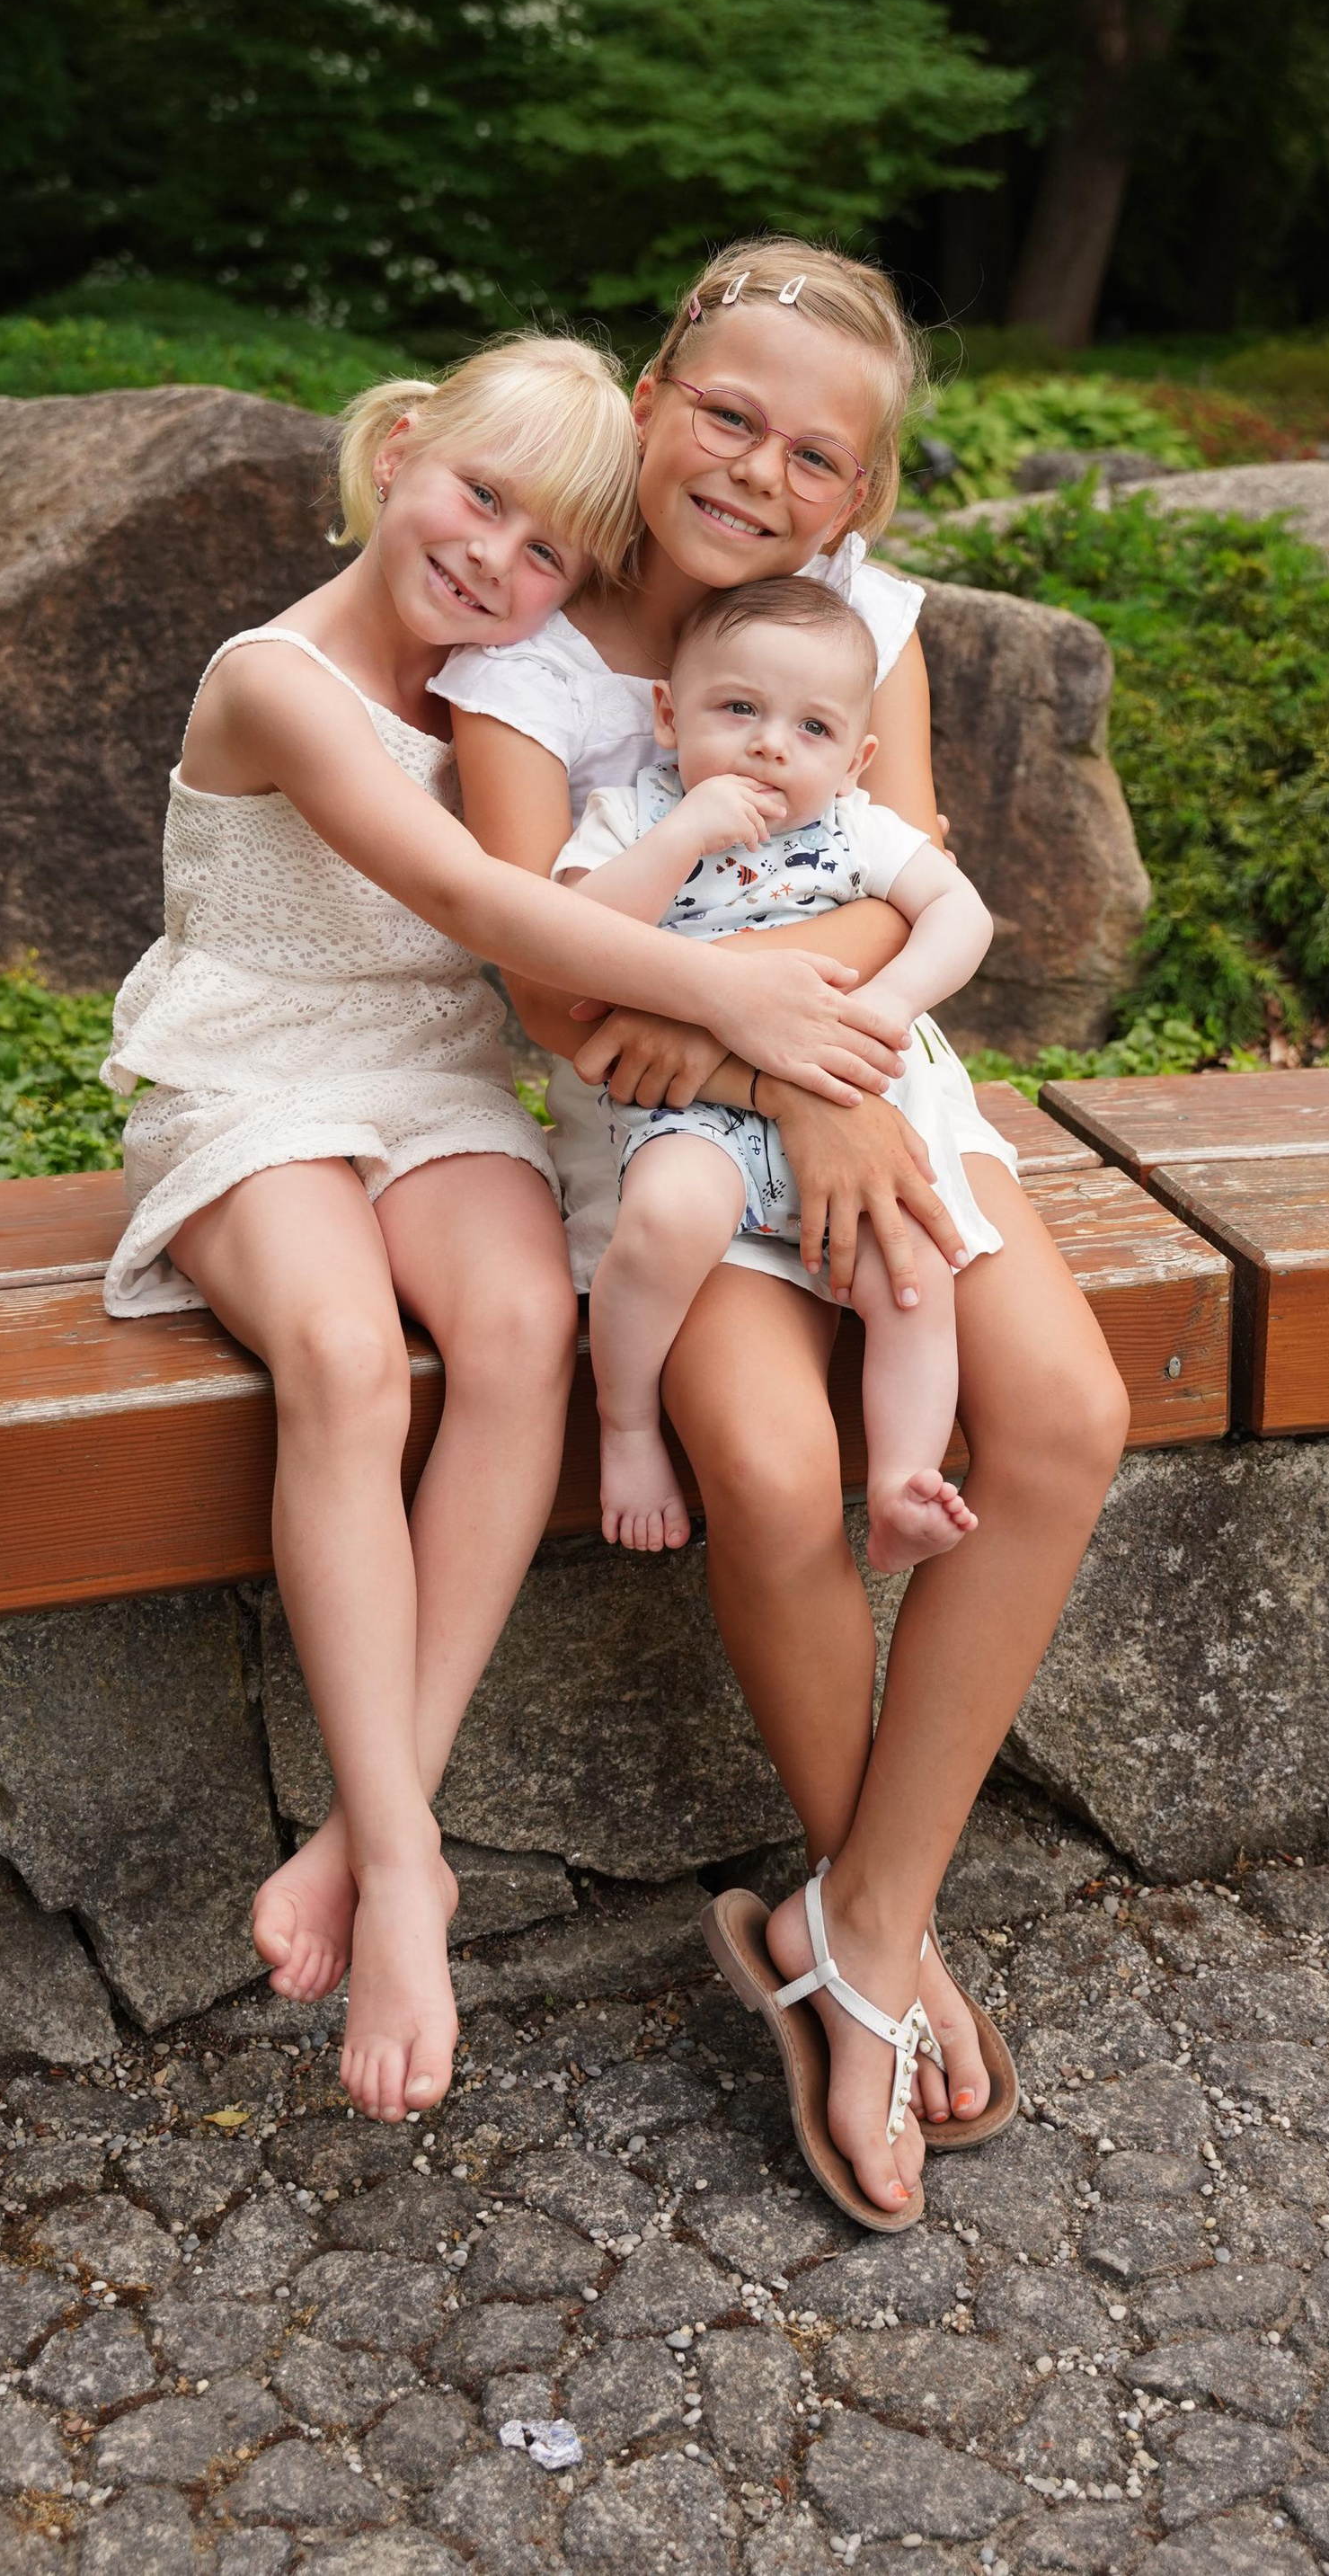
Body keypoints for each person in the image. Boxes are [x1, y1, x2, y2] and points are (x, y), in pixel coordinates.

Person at [100, 333, 909, 2127]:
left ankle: (367, 1818)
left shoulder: (505, 681)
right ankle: (408, 1872)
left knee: (524, 1334)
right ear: (396, 452)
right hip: (252, 1078)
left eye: (546, 548)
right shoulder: (279, 676)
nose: (496, 561)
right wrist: (746, 1011)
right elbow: (475, 893)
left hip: (428, 1073)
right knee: (334, 1353)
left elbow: (717, 811)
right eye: (477, 498)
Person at [444, 245, 1131, 2225]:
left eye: (813, 451)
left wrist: (817, 1066)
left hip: (872, 1082)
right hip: (668, 1140)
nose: (757, 467)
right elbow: (557, 995)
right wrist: (758, 1067)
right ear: (651, 394)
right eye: (726, 412)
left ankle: (857, 1921)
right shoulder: (531, 669)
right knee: (763, 1456)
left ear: (861, 494)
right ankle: (878, 1957)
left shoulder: (865, 624)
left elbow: (892, 895)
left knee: (1064, 1416)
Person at [556, 573, 996, 1570]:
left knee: (914, 1279)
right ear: (669, 714)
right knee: (668, 1218)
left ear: (855, 759)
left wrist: (881, 1007)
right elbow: (573, 942)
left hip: (841, 1101)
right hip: (696, 1113)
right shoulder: (630, 816)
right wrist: (682, 836)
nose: (769, 745)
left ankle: (899, 1483)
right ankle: (625, 1427)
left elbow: (961, 914)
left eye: (812, 729)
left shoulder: (860, 829)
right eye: (738, 709)